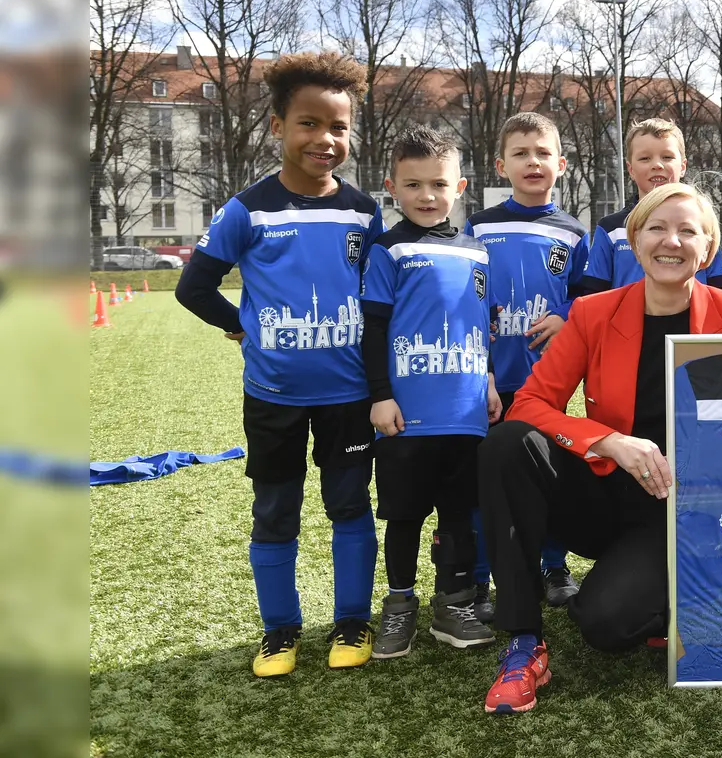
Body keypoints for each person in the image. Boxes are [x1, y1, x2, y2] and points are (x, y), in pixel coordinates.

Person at [476, 183, 722, 713]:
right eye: (657, 228)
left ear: (707, 249)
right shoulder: (592, 312)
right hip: (606, 492)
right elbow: (531, 404)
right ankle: (523, 643)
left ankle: (676, 594)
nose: (670, 241)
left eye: (687, 231)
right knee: (507, 444)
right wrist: (608, 441)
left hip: (679, 510)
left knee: (606, 625)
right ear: (634, 240)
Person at [174, 51, 382, 676]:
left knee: (349, 506)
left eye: (339, 127)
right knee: (276, 511)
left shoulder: (364, 212)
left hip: (349, 396)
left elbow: (379, 296)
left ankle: (352, 621)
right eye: (309, 124)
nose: (325, 139)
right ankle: (279, 632)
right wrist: (242, 326)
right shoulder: (248, 209)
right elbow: (194, 288)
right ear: (277, 126)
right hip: (274, 396)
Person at [363, 127, 501, 659]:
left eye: (438, 184)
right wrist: (380, 395)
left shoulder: (478, 252)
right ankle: (398, 608)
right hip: (407, 416)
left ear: (460, 186)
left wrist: (488, 379)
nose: (427, 195)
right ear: (391, 187)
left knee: (459, 516)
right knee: (403, 518)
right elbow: (373, 329)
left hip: (465, 415)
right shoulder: (387, 249)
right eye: (413, 184)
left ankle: (453, 605)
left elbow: (479, 327)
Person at [465, 112, 590, 613]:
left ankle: (553, 567)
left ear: (560, 163)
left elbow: (587, 296)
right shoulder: (478, 227)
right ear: (501, 165)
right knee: (484, 482)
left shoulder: (575, 233)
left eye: (542, 153)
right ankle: (480, 578)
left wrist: (564, 316)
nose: (532, 162)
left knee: (547, 475)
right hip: (489, 380)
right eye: (520, 153)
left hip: (546, 382)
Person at [575, 118, 722, 296]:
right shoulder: (611, 229)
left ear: (683, 166)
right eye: (645, 158)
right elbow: (592, 294)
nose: (657, 165)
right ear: (630, 169)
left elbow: (718, 293)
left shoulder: (700, 224)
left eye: (667, 157)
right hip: (626, 323)